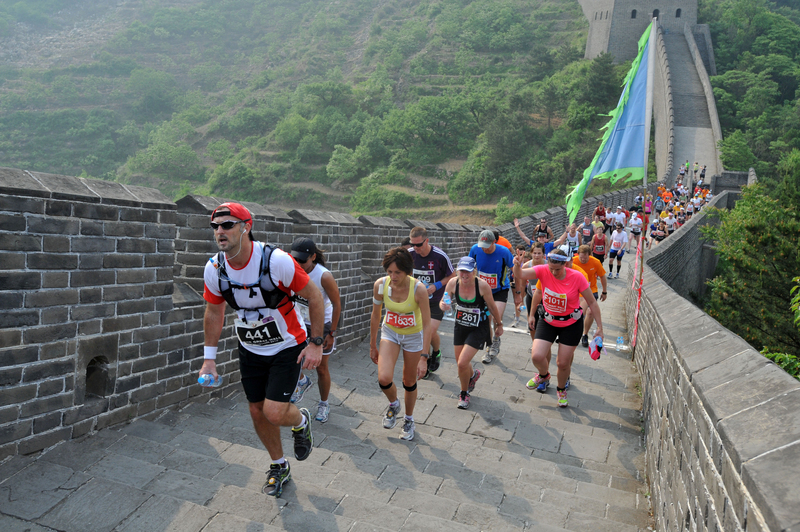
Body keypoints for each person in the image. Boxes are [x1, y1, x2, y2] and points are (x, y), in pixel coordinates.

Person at [200, 202, 322, 498]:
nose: (220, 231)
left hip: (287, 345)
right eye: (215, 226)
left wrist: (316, 343)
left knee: (274, 411)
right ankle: (279, 466)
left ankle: (301, 420)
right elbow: (214, 313)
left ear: (246, 226)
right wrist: (209, 361)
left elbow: (315, 297)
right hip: (250, 347)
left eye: (228, 225)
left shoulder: (276, 261)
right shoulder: (215, 268)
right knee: (257, 411)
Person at [513, 247, 604, 407]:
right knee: (537, 356)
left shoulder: (577, 277)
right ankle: (543, 375)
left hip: (570, 324)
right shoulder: (543, 271)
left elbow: (592, 302)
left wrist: (600, 328)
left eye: (558, 269)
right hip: (548, 320)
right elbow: (522, 277)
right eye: (551, 268)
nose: (554, 273)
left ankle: (561, 390)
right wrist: (517, 265)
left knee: (563, 363)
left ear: (566, 264)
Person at [370, 247, 431, 441]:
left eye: (397, 272)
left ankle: (409, 419)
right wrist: (373, 344)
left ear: (408, 271)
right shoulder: (381, 285)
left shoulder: (418, 289)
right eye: (389, 272)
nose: (393, 276)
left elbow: (428, 324)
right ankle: (394, 404)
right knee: (384, 378)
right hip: (390, 333)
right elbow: (375, 314)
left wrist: (424, 356)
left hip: (414, 336)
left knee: (409, 381)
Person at [440, 257, 504, 409]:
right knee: (461, 362)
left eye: (468, 271)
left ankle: (464, 393)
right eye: (462, 271)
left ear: (474, 271)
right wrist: (443, 305)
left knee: (462, 362)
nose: (465, 275)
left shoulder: (482, 286)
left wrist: (499, 325)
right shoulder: (452, 283)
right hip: (460, 325)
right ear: (457, 270)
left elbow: (493, 307)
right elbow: (444, 299)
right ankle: (473, 375)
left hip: (479, 327)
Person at [289, 238, 341, 424]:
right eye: (296, 260)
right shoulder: (291, 270)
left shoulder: (323, 276)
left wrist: (332, 333)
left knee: (321, 367)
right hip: (299, 323)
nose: (299, 264)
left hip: (322, 325)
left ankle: (324, 403)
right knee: (289, 359)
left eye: (303, 261)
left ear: (313, 257)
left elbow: (336, 304)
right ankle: (302, 382)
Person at [407, 227, 455, 380]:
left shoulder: (439, 256)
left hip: (436, 301)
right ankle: (435, 352)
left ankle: (426, 360)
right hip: (417, 301)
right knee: (424, 332)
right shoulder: (409, 254)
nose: (416, 248)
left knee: (428, 331)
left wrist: (437, 286)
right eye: (413, 244)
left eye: (419, 245)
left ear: (426, 241)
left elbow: (452, 276)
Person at [469, 230, 514, 363]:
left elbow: (514, 269)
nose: (484, 248)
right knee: (486, 319)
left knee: (496, 317)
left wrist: (517, 293)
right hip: (482, 289)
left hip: (499, 289)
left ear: (494, 242)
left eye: (487, 245)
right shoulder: (475, 250)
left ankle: (496, 339)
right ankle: (490, 347)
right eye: (482, 245)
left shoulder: (504, 252)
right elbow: (469, 267)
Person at [574, 245, 608, 347]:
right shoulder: (573, 261)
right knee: (579, 313)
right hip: (576, 290)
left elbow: (602, 277)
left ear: (590, 255)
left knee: (590, 312)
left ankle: (585, 334)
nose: (583, 259)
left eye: (585, 257)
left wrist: (605, 292)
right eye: (581, 257)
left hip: (591, 290)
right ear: (578, 255)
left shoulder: (595, 262)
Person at [510, 243, 528, 328]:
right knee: (518, 302)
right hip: (519, 284)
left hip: (528, 284)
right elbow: (513, 273)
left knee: (526, 302)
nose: (520, 256)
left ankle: (528, 321)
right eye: (518, 254)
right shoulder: (514, 260)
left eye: (522, 254)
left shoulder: (527, 262)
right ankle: (516, 320)